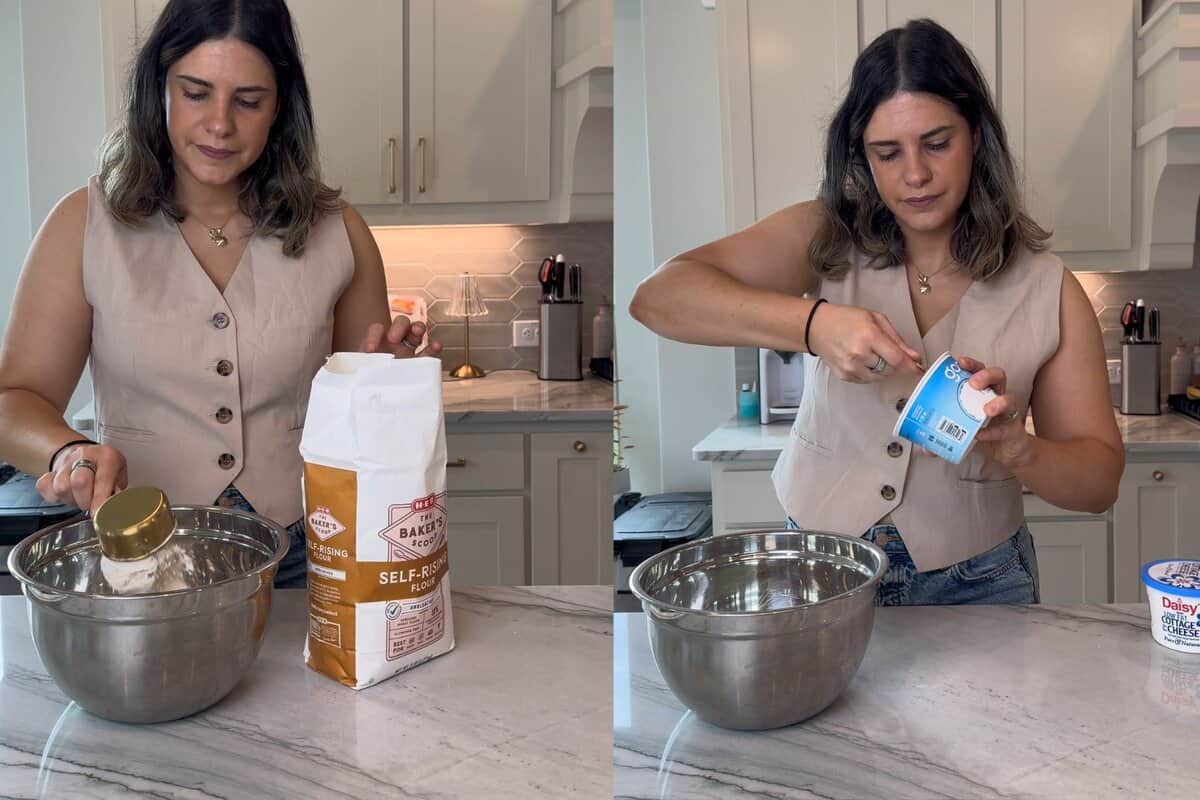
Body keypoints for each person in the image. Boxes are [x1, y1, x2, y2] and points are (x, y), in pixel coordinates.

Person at [629, 18, 1124, 605]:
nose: (914, 174)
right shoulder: (825, 237)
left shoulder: (1050, 288)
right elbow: (657, 299)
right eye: (887, 153)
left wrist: (1018, 448)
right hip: (820, 567)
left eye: (937, 143)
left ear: (977, 137)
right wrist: (815, 326)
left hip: (981, 579)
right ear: (861, 156)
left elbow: (1098, 484)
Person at [0, 0, 440, 588]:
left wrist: (390, 388)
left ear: (281, 104)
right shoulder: (83, 225)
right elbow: (15, 399)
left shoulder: (340, 232)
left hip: (308, 555)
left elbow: (363, 429)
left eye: (248, 100)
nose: (220, 124)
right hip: (147, 563)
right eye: (196, 92)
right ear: (159, 87)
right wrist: (66, 452)